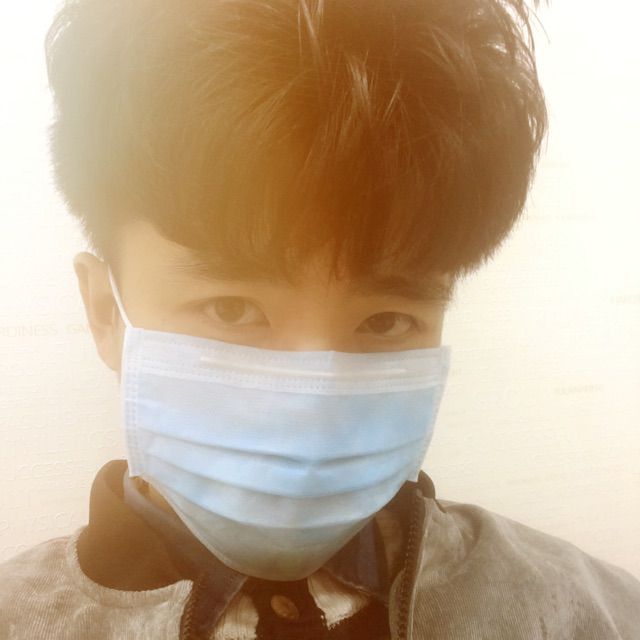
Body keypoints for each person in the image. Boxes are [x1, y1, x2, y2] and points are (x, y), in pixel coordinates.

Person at [1, 0, 639, 638]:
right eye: (233, 309)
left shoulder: (589, 614)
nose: (313, 407)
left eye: (384, 321)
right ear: (105, 313)